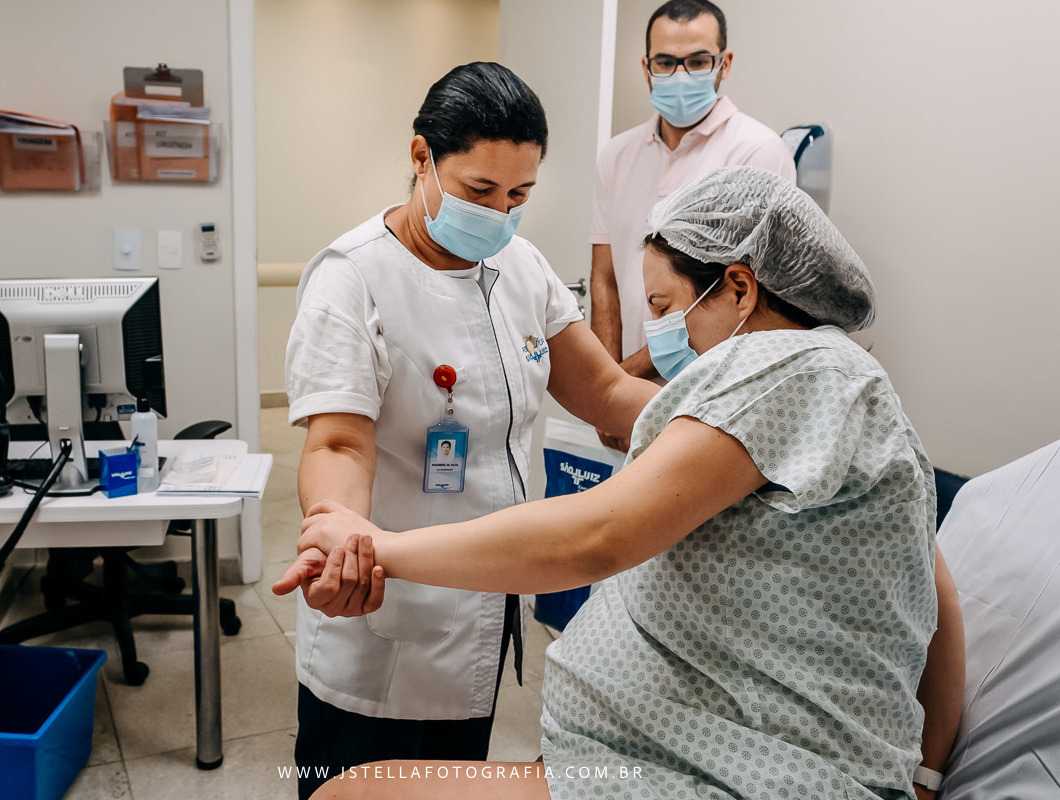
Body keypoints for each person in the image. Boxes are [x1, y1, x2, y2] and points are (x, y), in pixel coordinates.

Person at [277, 166, 966, 800]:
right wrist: (926, 768)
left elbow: (597, 534)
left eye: (666, 307)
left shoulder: (782, 370)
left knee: (348, 794)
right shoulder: (824, 380)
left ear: (739, 287)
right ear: (421, 158)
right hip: (672, 742)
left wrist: (378, 546)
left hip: (731, 767)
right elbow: (932, 590)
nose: (662, 336)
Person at [282, 62, 660, 799]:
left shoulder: (521, 266)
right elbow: (337, 442)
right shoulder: (351, 278)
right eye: (479, 191)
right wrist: (338, 532)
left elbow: (607, 391)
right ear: (421, 157)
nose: (499, 214)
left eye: (519, 195)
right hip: (385, 612)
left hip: (485, 613)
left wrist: (723, 421)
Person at [590, 0, 796, 451]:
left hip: (715, 399)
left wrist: (616, 384)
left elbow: (745, 297)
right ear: (646, 68)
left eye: (698, 61)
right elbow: (604, 278)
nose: (681, 74)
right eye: (666, 62)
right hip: (626, 390)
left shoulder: (757, 153)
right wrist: (608, 384)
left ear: (725, 64)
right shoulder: (617, 155)